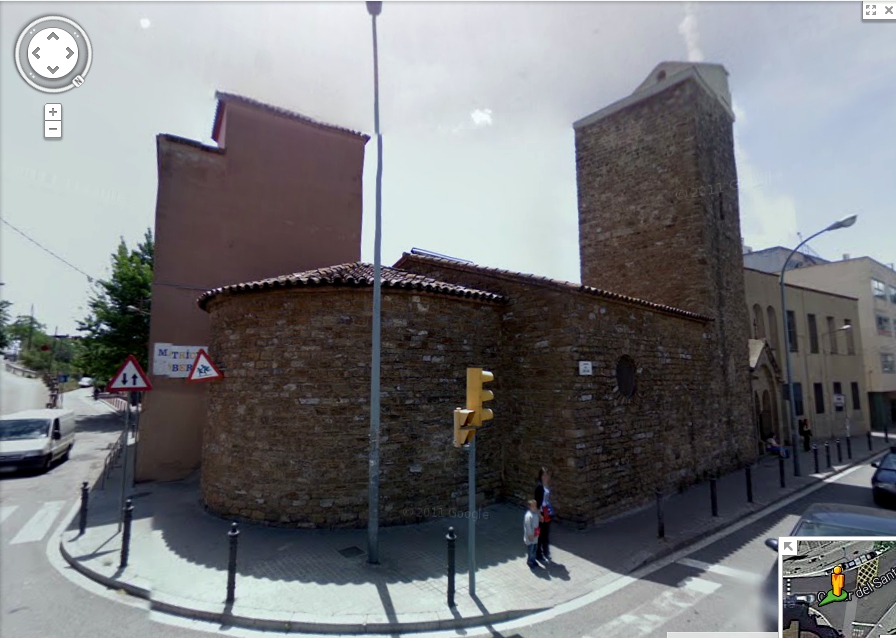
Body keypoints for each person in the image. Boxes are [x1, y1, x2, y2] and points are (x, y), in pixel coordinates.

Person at [534, 466, 554, 561]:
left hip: (547, 512)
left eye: (547, 475)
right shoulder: (539, 488)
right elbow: (536, 503)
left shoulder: (547, 486)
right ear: (540, 476)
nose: (545, 477)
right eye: (543, 475)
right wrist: (539, 515)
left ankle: (546, 552)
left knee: (546, 534)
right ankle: (538, 554)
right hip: (540, 513)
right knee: (539, 534)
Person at [523, 500, 541, 568]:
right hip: (530, 536)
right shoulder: (528, 515)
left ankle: (533, 559)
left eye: (535, 506)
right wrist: (530, 535)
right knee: (531, 549)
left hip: (535, 534)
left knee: (534, 549)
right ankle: (530, 561)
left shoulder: (535, 513)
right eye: (533, 506)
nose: (534, 507)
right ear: (529, 507)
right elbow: (527, 526)